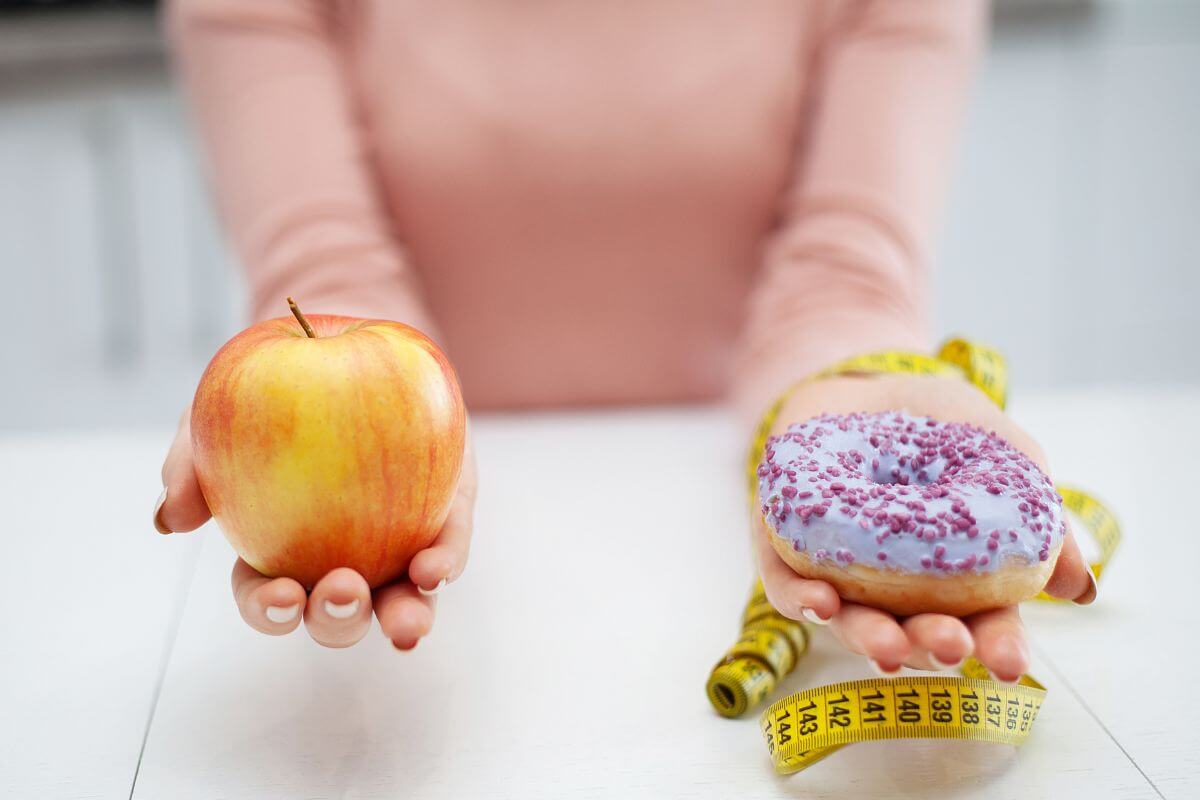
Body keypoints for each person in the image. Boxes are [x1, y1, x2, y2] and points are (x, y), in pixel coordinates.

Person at [153, 0, 1095, 677]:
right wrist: (329, 440)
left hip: (709, 490)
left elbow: (845, 267)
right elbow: (325, 265)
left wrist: (855, 381)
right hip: (446, 534)